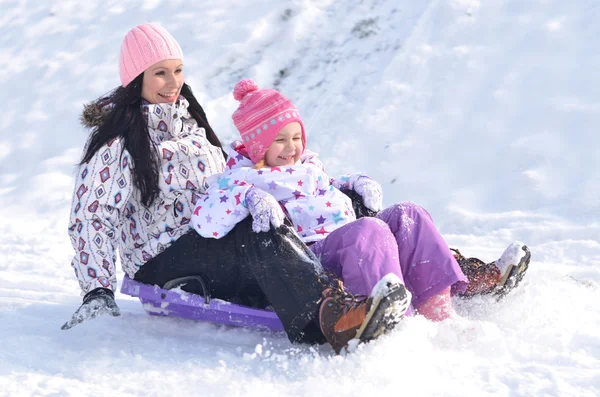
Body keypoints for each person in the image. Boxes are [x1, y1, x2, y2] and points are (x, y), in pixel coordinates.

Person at [62, 23, 411, 355]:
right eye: (160, 72)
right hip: (164, 260)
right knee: (254, 226)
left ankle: (400, 284)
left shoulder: (192, 126)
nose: (173, 82)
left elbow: (231, 180)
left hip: (213, 235)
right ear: (136, 78)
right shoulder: (117, 144)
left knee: (301, 207)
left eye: (178, 70)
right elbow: (92, 218)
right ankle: (333, 316)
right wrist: (98, 290)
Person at [192, 79, 532, 323]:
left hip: (348, 238)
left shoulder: (307, 166)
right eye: (279, 140)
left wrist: (352, 182)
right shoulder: (239, 178)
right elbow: (205, 218)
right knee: (369, 230)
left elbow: (326, 185)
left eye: (296, 136)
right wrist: (248, 197)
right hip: (310, 258)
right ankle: (394, 322)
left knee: (408, 214)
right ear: (255, 146)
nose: (292, 147)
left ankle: (441, 311)